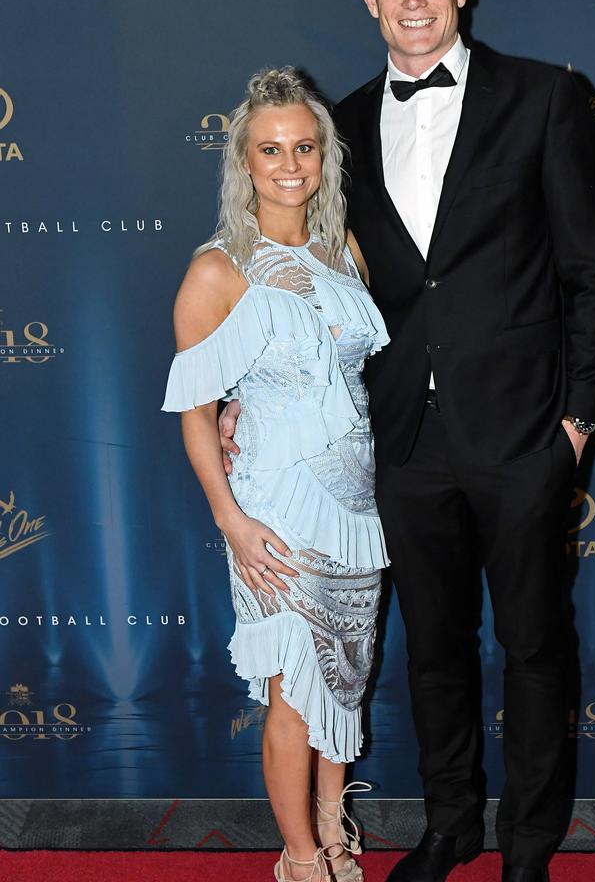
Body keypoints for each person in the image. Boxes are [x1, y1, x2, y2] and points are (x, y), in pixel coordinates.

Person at [221, 0, 595, 882]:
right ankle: (451, 828)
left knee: (533, 648)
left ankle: (529, 845)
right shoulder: (342, 129)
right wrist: (241, 390)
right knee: (433, 649)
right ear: (370, 0)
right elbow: (298, 270)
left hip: (525, 432)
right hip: (393, 439)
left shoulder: (546, 98)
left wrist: (576, 425)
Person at [163, 68, 390, 882]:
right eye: (271, 149)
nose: (289, 164)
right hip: (274, 508)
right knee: (294, 688)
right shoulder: (218, 271)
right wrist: (229, 517)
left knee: (346, 680)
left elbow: (360, 375)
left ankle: (334, 830)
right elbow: (196, 410)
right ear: (244, 162)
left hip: (358, 507)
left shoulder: (344, 250)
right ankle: (298, 860)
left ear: (325, 155)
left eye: (304, 147)